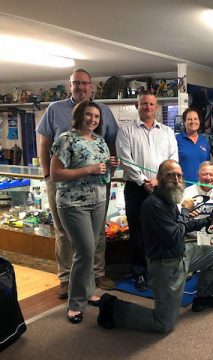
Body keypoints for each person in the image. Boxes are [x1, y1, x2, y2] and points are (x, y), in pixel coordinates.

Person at [97, 160, 213, 333]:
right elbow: (174, 235)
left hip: (182, 254)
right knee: (163, 324)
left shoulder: (169, 198)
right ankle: (112, 307)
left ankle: (204, 297)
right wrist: (185, 212)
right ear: (159, 178)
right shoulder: (153, 205)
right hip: (166, 265)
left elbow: (180, 227)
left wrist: (205, 221)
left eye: (179, 175)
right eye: (171, 175)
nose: (176, 179)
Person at [36, 68, 118, 298]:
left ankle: (97, 272)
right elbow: (44, 143)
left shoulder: (104, 111)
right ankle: (66, 277)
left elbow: (110, 142)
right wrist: (47, 176)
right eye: (76, 83)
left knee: (97, 232)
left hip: (98, 184)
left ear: (91, 86)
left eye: (85, 83)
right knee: (63, 232)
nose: (81, 87)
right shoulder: (54, 110)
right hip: (63, 185)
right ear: (69, 86)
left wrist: (110, 168)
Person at [50, 101, 118, 324]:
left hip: (98, 200)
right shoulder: (65, 140)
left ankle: (89, 292)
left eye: (97, 116)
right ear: (79, 116)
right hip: (73, 203)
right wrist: (88, 169)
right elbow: (56, 174)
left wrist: (111, 165)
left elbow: (104, 172)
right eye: (89, 115)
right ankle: (75, 304)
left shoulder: (100, 141)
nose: (93, 119)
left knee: (92, 246)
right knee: (85, 251)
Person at [116, 90, 178, 291]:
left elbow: (173, 159)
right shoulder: (126, 131)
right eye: (144, 104)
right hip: (136, 189)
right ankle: (140, 272)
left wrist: (159, 180)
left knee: (163, 229)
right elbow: (125, 160)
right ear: (137, 105)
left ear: (156, 106)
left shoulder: (167, 132)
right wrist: (144, 181)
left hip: (163, 189)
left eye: (151, 104)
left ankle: (161, 269)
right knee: (138, 232)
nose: (148, 107)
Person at [182, 161, 213, 243]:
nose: (208, 178)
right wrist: (187, 215)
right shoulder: (187, 192)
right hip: (191, 238)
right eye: (204, 174)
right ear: (198, 175)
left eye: (211, 175)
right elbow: (179, 218)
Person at [176, 108, 211, 184]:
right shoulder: (176, 139)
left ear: (199, 121)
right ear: (184, 122)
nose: (193, 122)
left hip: (202, 186)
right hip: (182, 187)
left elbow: (207, 165)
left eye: (195, 119)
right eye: (189, 119)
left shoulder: (204, 141)